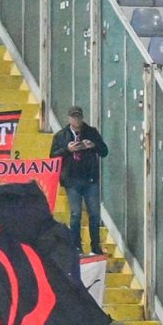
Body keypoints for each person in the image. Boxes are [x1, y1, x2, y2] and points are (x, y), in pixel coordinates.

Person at [50, 106, 110, 254]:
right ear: (69, 119)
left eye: (78, 117)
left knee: (94, 213)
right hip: (72, 180)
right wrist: (67, 149)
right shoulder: (61, 136)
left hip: (90, 178)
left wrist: (93, 146)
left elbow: (104, 151)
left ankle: (95, 246)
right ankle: (76, 246)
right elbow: (53, 156)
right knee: (75, 214)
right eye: (73, 117)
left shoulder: (91, 132)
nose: (76, 120)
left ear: (82, 118)